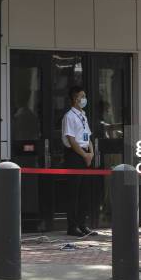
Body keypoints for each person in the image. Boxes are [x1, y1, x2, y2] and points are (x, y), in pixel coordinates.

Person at [62, 86, 97, 237]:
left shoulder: (83, 115)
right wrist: (84, 155)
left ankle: (83, 224)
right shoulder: (69, 116)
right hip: (75, 156)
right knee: (73, 193)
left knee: (85, 192)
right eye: (82, 96)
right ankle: (72, 226)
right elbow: (71, 139)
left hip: (85, 155)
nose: (84, 99)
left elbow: (87, 136)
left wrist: (91, 153)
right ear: (75, 99)